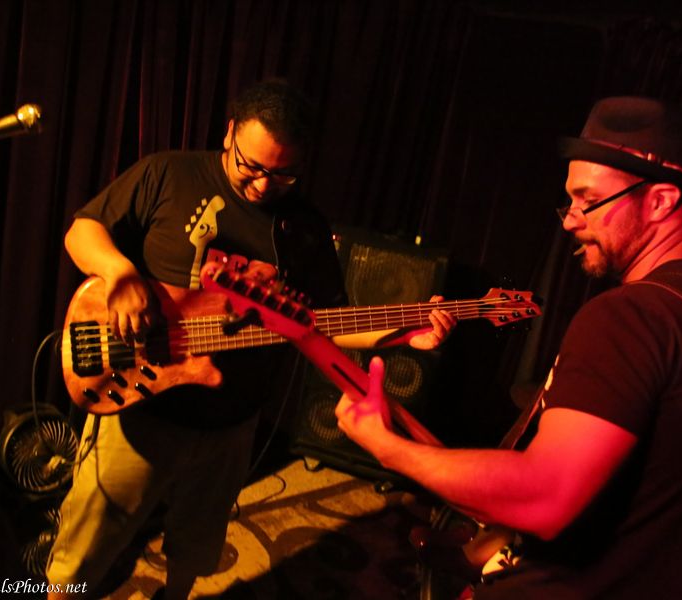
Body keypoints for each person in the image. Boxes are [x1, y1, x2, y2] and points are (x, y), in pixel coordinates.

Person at [46, 79, 454, 600]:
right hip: (141, 409)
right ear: (230, 132)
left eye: (283, 174)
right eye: (251, 166)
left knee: (194, 553)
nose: (263, 185)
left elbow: (327, 322)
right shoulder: (168, 173)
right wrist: (119, 273)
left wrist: (408, 333)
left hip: (231, 425)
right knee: (80, 557)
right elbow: (82, 230)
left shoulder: (303, 227)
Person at [336, 96, 682, 599]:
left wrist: (391, 450)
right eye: (568, 202)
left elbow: (545, 497)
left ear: (661, 201)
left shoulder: (631, 317)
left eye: (587, 200)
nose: (569, 221)